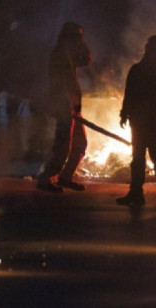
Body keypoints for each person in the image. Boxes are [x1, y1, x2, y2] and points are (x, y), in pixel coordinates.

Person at [116, 35, 156, 206]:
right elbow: (129, 93)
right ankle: (136, 193)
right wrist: (124, 113)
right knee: (138, 156)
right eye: (152, 47)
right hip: (140, 120)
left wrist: (154, 117)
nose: (153, 50)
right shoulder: (137, 69)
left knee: (155, 155)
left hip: (152, 121)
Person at [36, 21, 91, 193]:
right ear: (68, 37)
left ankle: (65, 177)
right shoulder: (60, 54)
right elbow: (63, 82)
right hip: (63, 105)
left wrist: (82, 46)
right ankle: (46, 178)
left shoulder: (69, 54)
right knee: (63, 144)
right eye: (77, 37)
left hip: (72, 106)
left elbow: (86, 60)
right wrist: (68, 103)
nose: (78, 40)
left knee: (80, 143)